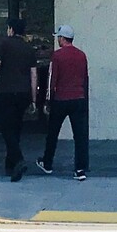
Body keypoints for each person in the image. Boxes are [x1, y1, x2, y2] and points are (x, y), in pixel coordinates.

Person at [0, 16, 39, 182]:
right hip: (24, 93)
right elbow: (34, 75)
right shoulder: (28, 48)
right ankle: (10, 166)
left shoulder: (3, 44)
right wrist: (33, 99)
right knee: (16, 127)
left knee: (6, 129)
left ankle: (18, 160)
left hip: (7, 92)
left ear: (11, 29)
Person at [37, 24, 89, 180]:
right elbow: (85, 77)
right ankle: (80, 169)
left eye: (58, 37)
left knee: (52, 133)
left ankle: (47, 163)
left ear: (62, 38)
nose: (58, 40)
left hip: (61, 99)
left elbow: (52, 78)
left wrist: (47, 99)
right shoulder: (82, 55)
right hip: (78, 98)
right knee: (79, 136)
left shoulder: (57, 55)